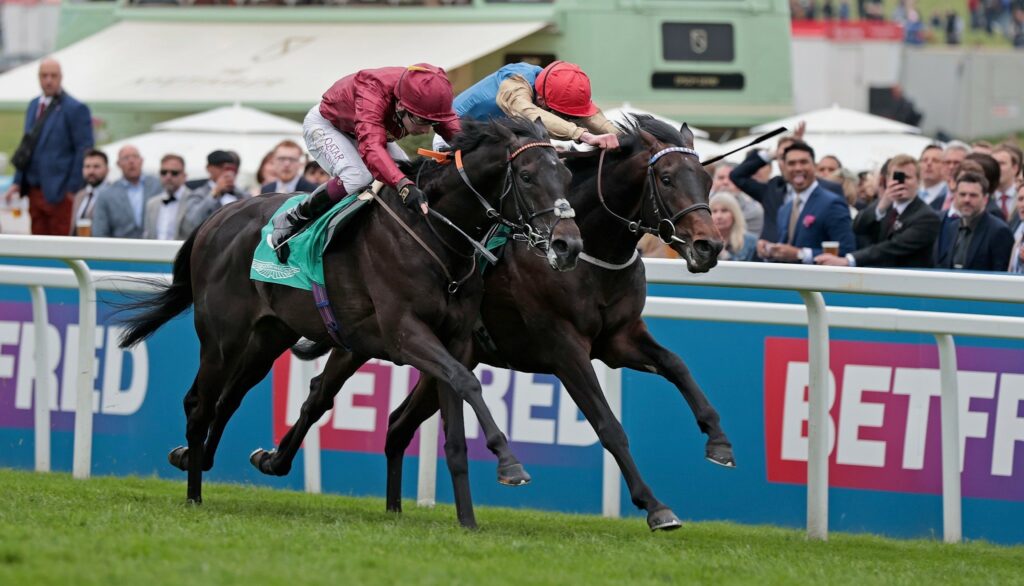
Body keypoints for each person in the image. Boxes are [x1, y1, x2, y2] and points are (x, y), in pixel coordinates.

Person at [270, 64, 462, 259]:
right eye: (421, 121)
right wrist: (403, 185)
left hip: (366, 132)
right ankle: (293, 217)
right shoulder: (373, 91)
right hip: (328, 126)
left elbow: (459, 135)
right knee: (358, 177)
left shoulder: (426, 95)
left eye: (432, 123)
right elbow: (371, 147)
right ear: (400, 106)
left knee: (411, 174)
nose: (426, 131)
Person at [436, 61, 619, 152]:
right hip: (454, 136)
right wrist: (583, 135)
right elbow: (528, 114)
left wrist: (629, 137)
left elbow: (592, 117)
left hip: (497, 140)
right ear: (541, 100)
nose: (566, 119)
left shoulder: (549, 86)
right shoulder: (515, 84)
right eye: (564, 115)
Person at [4, 58, 94, 235]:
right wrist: (17, 181)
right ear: (39, 78)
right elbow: (27, 147)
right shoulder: (33, 105)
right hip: (33, 190)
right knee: (38, 246)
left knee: (59, 247)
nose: (49, 80)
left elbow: (84, 150)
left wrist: (71, 189)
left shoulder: (75, 108)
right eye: (44, 76)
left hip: (60, 193)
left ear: (61, 78)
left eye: (53, 76)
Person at [816, 154, 940, 268]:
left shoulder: (927, 217)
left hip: (909, 283)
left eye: (907, 177)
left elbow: (893, 247)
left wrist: (849, 260)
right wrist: (881, 206)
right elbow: (857, 227)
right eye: (896, 177)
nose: (901, 183)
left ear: (918, 182)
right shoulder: (883, 206)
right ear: (886, 180)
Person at [730, 126, 844, 245]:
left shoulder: (828, 188)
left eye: (799, 160)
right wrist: (769, 155)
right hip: (768, 259)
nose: (794, 166)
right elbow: (737, 176)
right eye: (783, 158)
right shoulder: (773, 187)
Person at [759, 141, 856, 263]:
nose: (798, 168)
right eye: (791, 163)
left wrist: (801, 254)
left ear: (814, 167)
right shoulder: (785, 209)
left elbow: (846, 251)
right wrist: (769, 249)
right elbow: (786, 249)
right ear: (784, 168)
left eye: (803, 162)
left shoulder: (832, 204)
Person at [934, 172, 1014, 271]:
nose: (967, 200)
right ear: (955, 197)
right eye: (962, 194)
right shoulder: (952, 227)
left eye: (973, 195)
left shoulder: (999, 231)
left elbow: (1001, 273)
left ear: (985, 199)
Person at [91, 145, 162, 238]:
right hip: (120, 249)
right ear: (118, 164)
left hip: (155, 248)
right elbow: (99, 232)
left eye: (135, 157)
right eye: (126, 158)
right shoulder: (106, 194)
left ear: (141, 161)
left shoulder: (158, 185)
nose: (131, 161)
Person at [178, 150, 249, 238]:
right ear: (209, 168)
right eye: (221, 167)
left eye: (230, 169)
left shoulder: (243, 195)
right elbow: (193, 221)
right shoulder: (198, 193)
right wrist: (214, 193)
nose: (226, 172)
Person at [143, 154, 192, 240]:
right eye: (164, 172)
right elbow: (147, 236)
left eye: (174, 173)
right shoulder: (152, 204)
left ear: (184, 176)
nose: (168, 177)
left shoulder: (194, 200)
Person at [711, 162, 763, 237]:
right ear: (712, 182)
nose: (725, 182)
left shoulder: (754, 210)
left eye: (731, 178)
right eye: (721, 178)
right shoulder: (699, 205)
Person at [69, 149, 109, 236]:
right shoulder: (79, 196)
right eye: (87, 166)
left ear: (107, 169)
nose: (91, 171)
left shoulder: (113, 195)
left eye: (96, 166)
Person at [710, 192, 757, 261]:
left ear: (735, 214)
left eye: (724, 211)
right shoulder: (700, 241)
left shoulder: (751, 242)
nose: (719, 216)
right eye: (714, 211)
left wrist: (724, 255)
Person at [991, 144, 1021, 222]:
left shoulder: (1021, 195)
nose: (997, 168)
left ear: (1015, 168)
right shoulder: (984, 200)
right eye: (994, 164)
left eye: (1002, 163)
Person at [917, 144, 948, 210]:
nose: (929, 163)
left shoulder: (948, 196)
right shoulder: (912, 194)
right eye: (925, 160)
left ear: (945, 166)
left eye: (935, 160)